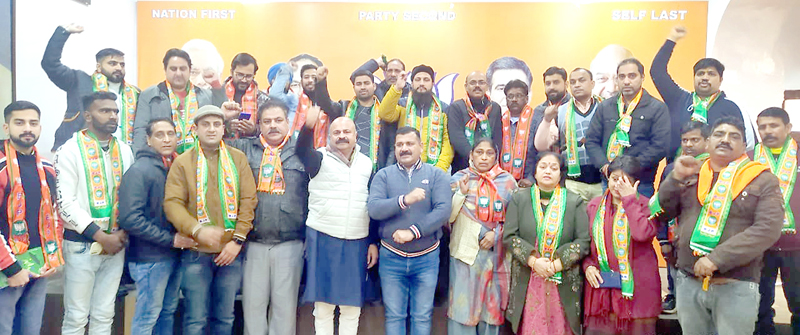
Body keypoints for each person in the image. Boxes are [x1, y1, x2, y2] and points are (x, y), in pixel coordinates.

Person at [655, 117, 784, 335]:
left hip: (735, 284)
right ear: (707, 142)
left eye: (734, 136)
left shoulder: (762, 179)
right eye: (719, 134)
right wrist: (675, 178)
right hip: (688, 280)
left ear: (744, 146)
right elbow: (664, 211)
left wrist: (717, 259)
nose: (725, 139)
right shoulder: (692, 173)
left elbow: (767, 229)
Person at [164, 105, 258, 335]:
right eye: (205, 124)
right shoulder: (183, 162)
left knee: (224, 319)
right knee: (195, 320)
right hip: (196, 253)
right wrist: (197, 229)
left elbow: (248, 200)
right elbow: (172, 204)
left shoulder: (238, 158)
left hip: (230, 254)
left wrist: (237, 241)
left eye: (217, 124)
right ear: (195, 129)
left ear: (224, 129)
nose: (212, 129)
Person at [223, 100, 307, 335]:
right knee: (253, 309)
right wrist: (224, 118)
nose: (273, 126)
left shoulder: (302, 151)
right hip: (253, 243)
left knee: (285, 312)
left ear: (288, 122)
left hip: (290, 243)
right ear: (258, 125)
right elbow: (208, 143)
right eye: (267, 121)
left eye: (278, 120)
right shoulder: (244, 148)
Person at [55, 91, 135, 335]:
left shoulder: (124, 150)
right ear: (88, 116)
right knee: (76, 317)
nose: (113, 116)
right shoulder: (69, 150)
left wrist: (121, 233)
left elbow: (131, 196)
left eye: (115, 111)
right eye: (105, 111)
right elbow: (65, 203)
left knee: (105, 314)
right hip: (81, 244)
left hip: (116, 243)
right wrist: (101, 236)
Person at [298, 105, 377, 335]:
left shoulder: (367, 163)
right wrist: (308, 126)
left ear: (356, 136)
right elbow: (301, 150)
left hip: (357, 239)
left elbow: (371, 204)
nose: (342, 136)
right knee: (323, 305)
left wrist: (372, 241)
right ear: (329, 136)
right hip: (323, 236)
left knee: (351, 306)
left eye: (347, 132)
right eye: (337, 132)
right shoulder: (318, 159)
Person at [367, 126, 451, 335]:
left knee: (422, 316)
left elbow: (443, 211)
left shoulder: (436, 175)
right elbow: (374, 209)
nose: (404, 148)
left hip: (426, 258)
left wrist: (413, 232)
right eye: (400, 145)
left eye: (410, 144)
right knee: (394, 316)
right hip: (391, 258)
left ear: (421, 147)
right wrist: (404, 200)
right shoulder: (383, 175)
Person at [118, 118, 196, 335]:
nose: (166, 139)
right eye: (159, 135)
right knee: (147, 316)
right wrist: (170, 240)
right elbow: (130, 218)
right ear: (148, 140)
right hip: (150, 258)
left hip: (173, 254)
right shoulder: (140, 170)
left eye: (171, 134)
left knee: (167, 312)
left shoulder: (174, 167)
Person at [503, 151, 590, 335]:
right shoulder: (519, 199)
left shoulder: (574, 201)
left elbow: (583, 241)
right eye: (543, 167)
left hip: (561, 276)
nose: (548, 171)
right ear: (535, 172)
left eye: (553, 168)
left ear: (560, 174)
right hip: (529, 274)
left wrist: (556, 265)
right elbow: (509, 237)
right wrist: (534, 262)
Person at [0, 101, 62, 335]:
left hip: (37, 266)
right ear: (6, 127)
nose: (27, 128)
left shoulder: (46, 167)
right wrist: (11, 269)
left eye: (33, 123)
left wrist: (52, 257)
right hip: (5, 270)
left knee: (30, 330)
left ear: (40, 128)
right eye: (20, 122)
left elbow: (53, 215)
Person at [583, 155, 661, 335]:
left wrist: (629, 200)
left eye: (625, 181)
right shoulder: (594, 206)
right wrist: (588, 266)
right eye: (614, 179)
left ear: (636, 183)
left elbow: (641, 234)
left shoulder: (647, 205)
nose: (618, 185)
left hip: (638, 290)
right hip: (603, 288)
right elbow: (584, 243)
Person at [651, 25, 755, 158]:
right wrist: (672, 39)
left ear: (721, 79)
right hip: (678, 167)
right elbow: (657, 71)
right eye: (700, 73)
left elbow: (748, 145)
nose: (705, 78)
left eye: (711, 74)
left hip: (718, 168)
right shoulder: (679, 99)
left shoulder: (732, 107)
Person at [447, 138, 517, 334]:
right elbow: (448, 217)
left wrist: (497, 234)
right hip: (465, 254)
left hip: (496, 256)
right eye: (479, 152)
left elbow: (516, 219)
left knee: (491, 310)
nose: (484, 157)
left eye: (489, 153)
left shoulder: (508, 182)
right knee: (462, 309)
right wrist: (461, 194)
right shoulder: (459, 179)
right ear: (471, 155)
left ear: (496, 156)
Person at [42, 24, 140, 151]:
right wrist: (63, 33)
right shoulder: (79, 81)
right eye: (112, 63)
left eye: (122, 65)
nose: (118, 68)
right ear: (98, 67)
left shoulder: (135, 93)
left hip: (121, 153)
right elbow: (50, 64)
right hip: (78, 151)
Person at [585, 58, 670, 197]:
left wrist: (630, 169)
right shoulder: (605, 107)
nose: (626, 81)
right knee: (606, 212)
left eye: (632, 76)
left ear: (642, 77)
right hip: (609, 180)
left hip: (640, 182)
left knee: (636, 212)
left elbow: (660, 146)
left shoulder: (657, 108)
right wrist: (604, 165)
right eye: (622, 77)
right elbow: (591, 140)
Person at [650, 120, 710, 314]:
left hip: (706, 237)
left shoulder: (715, 168)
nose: (689, 144)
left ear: (707, 141)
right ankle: (674, 296)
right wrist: (663, 239)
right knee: (676, 274)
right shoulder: (671, 170)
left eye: (695, 140)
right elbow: (660, 204)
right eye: (685, 140)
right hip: (675, 235)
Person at [750, 107, 800, 335]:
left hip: (797, 246)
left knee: (799, 303)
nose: (767, 131)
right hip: (760, 246)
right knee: (759, 305)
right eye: (762, 127)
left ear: (788, 128)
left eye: (774, 125)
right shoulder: (748, 159)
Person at [534, 68, 604, 201]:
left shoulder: (606, 107)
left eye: (581, 80)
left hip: (603, 180)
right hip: (574, 182)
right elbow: (542, 146)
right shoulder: (561, 111)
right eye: (573, 82)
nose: (577, 85)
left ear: (592, 84)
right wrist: (547, 120)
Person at [134, 48, 216, 155]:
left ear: (189, 70)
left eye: (182, 69)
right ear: (165, 70)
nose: (178, 73)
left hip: (199, 157)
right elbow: (141, 131)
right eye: (173, 69)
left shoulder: (206, 96)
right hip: (161, 158)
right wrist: (140, 157)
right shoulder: (149, 95)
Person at [316, 69, 396, 170]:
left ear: (374, 86)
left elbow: (392, 147)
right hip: (346, 168)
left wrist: (386, 171)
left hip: (376, 169)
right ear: (354, 88)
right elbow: (325, 103)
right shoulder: (344, 108)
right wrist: (320, 82)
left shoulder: (384, 113)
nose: (362, 87)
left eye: (366, 83)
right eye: (359, 84)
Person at [379, 65, 453, 171]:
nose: (421, 83)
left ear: (432, 83)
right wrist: (397, 88)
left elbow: (447, 143)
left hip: (435, 168)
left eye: (426, 80)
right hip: (405, 167)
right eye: (417, 80)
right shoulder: (403, 104)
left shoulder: (443, 109)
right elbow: (384, 114)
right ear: (412, 83)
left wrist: (439, 169)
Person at [446, 72, 503, 173]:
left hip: (489, 166)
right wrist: (475, 159)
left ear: (487, 86)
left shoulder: (494, 108)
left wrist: (488, 159)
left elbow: (497, 138)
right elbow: (457, 138)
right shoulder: (456, 107)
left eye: (481, 82)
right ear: (466, 86)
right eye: (473, 83)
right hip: (463, 167)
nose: (477, 86)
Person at [221, 53, 268, 139]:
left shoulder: (263, 99)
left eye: (249, 76)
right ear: (231, 72)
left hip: (252, 145)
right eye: (240, 75)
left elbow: (269, 129)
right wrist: (227, 128)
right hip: (223, 145)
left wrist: (254, 130)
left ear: (254, 75)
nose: (244, 80)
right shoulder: (217, 94)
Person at [500, 80, 537, 187]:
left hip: (529, 181)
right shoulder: (499, 121)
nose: (514, 99)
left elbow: (540, 152)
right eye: (510, 96)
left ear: (526, 98)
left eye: (519, 96)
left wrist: (531, 178)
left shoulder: (536, 119)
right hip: (502, 182)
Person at [531, 67, 572, 153]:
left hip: (570, 158)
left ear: (566, 84)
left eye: (556, 82)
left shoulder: (574, 107)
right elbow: (532, 145)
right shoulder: (538, 110)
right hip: (544, 159)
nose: (551, 87)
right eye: (548, 83)